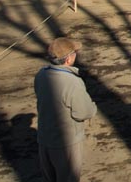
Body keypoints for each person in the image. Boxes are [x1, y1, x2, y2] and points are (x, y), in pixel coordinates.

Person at [34, 37, 98, 182]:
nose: (76, 54)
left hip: (44, 138)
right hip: (66, 142)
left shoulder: (41, 74)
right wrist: (92, 107)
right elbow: (83, 112)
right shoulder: (71, 82)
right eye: (75, 52)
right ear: (68, 59)